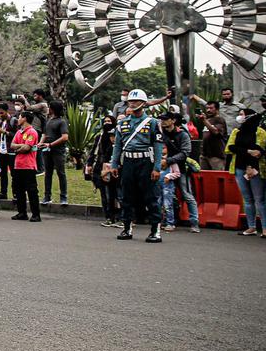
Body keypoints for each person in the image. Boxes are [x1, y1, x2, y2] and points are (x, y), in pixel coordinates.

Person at [108, 89, 165, 243]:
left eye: (136, 101)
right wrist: (114, 164)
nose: (132, 104)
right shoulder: (122, 123)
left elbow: (158, 146)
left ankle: (155, 230)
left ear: (144, 103)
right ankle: (127, 227)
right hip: (128, 162)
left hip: (145, 161)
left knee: (150, 197)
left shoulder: (152, 123)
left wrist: (157, 168)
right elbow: (118, 145)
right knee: (126, 196)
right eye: (130, 101)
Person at [225, 108, 266, 237]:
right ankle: (251, 227)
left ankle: (264, 228)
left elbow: (259, 150)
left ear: (249, 116)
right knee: (247, 199)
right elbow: (230, 148)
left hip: (255, 168)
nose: (239, 117)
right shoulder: (237, 131)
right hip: (239, 168)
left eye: (242, 114)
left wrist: (246, 153)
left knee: (260, 199)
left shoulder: (260, 132)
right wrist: (248, 151)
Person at [158, 112, 200, 233]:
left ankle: (194, 222)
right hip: (164, 169)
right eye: (162, 119)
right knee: (165, 196)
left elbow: (185, 152)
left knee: (187, 195)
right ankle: (167, 221)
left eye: (166, 119)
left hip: (181, 168)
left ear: (173, 120)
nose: (163, 122)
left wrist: (169, 160)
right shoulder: (161, 134)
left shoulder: (182, 134)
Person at [86, 113, 119, 226]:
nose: (106, 124)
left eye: (109, 121)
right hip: (100, 168)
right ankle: (108, 217)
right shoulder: (99, 137)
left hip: (114, 168)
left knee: (115, 195)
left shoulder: (116, 136)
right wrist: (89, 164)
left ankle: (118, 217)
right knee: (104, 195)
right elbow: (94, 151)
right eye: (105, 121)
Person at [9, 110, 42, 221]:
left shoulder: (32, 132)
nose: (18, 119)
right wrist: (20, 147)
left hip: (28, 166)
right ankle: (22, 212)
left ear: (25, 118)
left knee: (32, 190)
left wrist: (19, 149)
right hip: (18, 165)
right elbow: (12, 145)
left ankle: (36, 214)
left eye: (19, 117)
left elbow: (27, 148)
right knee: (18, 190)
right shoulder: (19, 132)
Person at [41, 100, 69, 205]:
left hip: (58, 151)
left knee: (61, 173)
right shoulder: (48, 120)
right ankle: (47, 196)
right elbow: (44, 134)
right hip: (47, 151)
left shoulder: (62, 121)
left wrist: (51, 144)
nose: (48, 109)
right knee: (48, 173)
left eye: (49, 107)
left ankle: (63, 197)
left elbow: (65, 137)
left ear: (53, 109)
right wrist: (41, 143)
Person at [0, 102, 17, 201]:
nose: (0, 115)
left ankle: (15, 193)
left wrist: (5, 132)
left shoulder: (13, 121)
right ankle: (3, 192)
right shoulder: (1, 122)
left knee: (14, 173)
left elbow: (17, 135)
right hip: (2, 151)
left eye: (2, 113)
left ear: (7, 111)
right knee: (2, 173)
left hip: (11, 151)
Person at [198, 101, 228, 171]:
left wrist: (204, 121)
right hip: (204, 155)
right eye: (207, 108)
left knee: (217, 178)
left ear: (217, 109)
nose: (208, 110)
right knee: (205, 178)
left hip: (216, 155)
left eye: (211, 108)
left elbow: (216, 132)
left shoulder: (219, 119)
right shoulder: (208, 120)